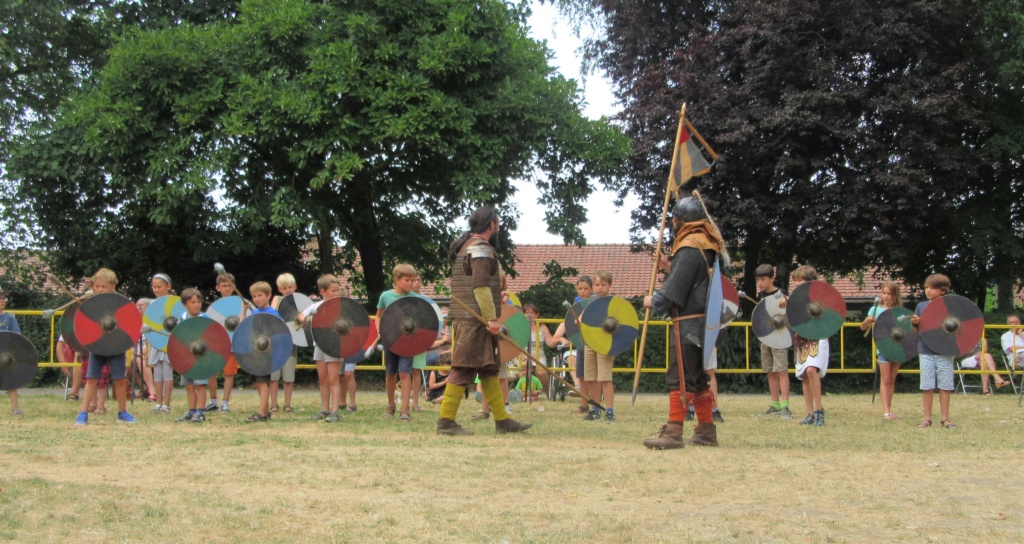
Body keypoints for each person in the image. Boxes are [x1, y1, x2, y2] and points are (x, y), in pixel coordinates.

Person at [435, 206, 531, 435]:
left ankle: (502, 420)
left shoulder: (467, 246)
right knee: (463, 369)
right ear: (492, 225)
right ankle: (446, 421)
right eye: (497, 223)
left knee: (489, 369)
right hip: (474, 320)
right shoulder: (481, 249)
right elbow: (480, 286)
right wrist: (491, 318)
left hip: (471, 320)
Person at [642, 195, 726, 449]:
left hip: (689, 323)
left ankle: (673, 432)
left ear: (679, 221)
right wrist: (670, 266)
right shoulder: (709, 244)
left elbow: (675, 291)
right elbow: (694, 283)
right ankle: (706, 430)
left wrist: (653, 300)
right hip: (705, 323)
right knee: (698, 378)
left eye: (674, 220)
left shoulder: (690, 246)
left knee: (679, 377)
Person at [73, 269, 137, 425]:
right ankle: (83, 413)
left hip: (116, 344)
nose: (100, 289)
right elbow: (86, 324)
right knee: (92, 378)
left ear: (113, 286)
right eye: (97, 286)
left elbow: (128, 322)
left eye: (103, 286)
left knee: (119, 379)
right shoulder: (90, 303)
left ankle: (122, 412)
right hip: (98, 345)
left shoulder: (119, 303)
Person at [910, 274, 957, 428]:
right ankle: (927, 418)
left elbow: (957, 327)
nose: (928, 290)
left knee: (945, 385)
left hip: (944, 350)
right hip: (926, 349)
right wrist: (915, 323)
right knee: (927, 385)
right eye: (926, 287)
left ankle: (945, 418)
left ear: (942, 291)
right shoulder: (921, 306)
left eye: (932, 288)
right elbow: (916, 330)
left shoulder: (950, 305)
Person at [786, 266, 829, 427]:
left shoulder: (819, 298)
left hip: (817, 337)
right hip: (801, 337)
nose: (797, 284)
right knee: (805, 375)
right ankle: (810, 413)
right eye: (795, 281)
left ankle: (819, 411)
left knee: (812, 370)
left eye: (800, 281)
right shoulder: (795, 300)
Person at [376, 263, 419, 422]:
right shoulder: (386, 296)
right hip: (391, 339)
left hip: (408, 341)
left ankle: (405, 409)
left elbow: (421, 320)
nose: (411, 283)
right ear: (396, 279)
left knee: (405, 373)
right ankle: (390, 404)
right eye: (407, 280)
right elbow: (379, 315)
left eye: (412, 280)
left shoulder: (416, 299)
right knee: (391, 372)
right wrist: (379, 330)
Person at [298, 274, 344, 422]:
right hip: (319, 344)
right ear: (323, 291)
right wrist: (304, 319)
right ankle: (325, 409)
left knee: (333, 379)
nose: (336, 294)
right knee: (323, 379)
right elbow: (302, 316)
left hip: (335, 345)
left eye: (338, 290)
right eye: (333, 291)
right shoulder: (315, 307)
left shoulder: (341, 306)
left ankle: (335, 411)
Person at [860, 281, 903, 418]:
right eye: (884, 293)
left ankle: (889, 408)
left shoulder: (899, 311)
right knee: (885, 379)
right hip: (883, 345)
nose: (886, 296)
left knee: (892, 379)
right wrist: (867, 321)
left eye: (889, 294)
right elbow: (862, 327)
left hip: (897, 346)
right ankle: (886, 411)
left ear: (895, 295)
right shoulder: (875, 309)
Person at [755, 264, 792, 419]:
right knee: (770, 371)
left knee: (781, 370)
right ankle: (775, 404)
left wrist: (785, 302)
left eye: (763, 279)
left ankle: (785, 406)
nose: (760, 283)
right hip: (766, 336)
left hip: (781, 336)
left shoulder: (781, 293)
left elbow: (788, 309)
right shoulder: (760, 296)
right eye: (757, 280)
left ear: (772, 279)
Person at [582, 270, 618, 422]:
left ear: (609, 285)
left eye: (603, 285)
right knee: (591, 377)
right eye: (597, 285)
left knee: (605, 378)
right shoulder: (592, 299)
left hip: (605, 343)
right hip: (590, 341)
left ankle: (609, 411)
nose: (599, 288)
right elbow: (586, 316)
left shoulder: (614, 302)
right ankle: (595, 408)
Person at [245, 281, 281, 422]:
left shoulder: (273, 314)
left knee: (262, 382)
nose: (257, 299)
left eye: (260, 295)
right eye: (254, 296)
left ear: (269, 295)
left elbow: (279, 334)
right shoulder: (254, 312)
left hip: (267, 354)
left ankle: (261, 413)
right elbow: (244, 328)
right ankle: (264, 411)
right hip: (255, 353)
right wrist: (244, 310)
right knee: (258, 382)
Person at [174, 288, 211, 423]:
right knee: (189, 385)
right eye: (193, 302)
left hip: (200, 358)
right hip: (187, 358)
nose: (196, 305)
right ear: (185, 304)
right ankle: (192, 411)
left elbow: (211, 338)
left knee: (200, 385)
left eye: (198, 302)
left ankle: (200, 412)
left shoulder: (204, 319)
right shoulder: (183, 318)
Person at [208, 273, 243, 412]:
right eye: (224, 286)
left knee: (229, 373)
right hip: (217, 345)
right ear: (218, 287)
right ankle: (213, 401)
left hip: (232, 344)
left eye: (229, 286)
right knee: (211, 372)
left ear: (234, 287)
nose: (227, 288)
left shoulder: (240, 304)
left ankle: (225, 402)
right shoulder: (215, 307)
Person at [270, 273, 299, 413]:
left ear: (295, 287)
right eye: (284, 288)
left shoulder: (299, 301)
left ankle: (287, 404)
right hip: (275, 342)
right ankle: (274, 404)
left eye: (290, 287)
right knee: (274, 376)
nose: (288, 290)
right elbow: (273, 312)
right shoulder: (277, 298)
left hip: (291, 342)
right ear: (279, 289)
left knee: (289, 376)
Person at [148, 274, 175, 414]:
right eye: (154, 287)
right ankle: (158, 403)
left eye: (159, 287)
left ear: (168, 286)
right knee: (157, 373)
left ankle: (167, 404)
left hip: (169, 341)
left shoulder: (174, 302)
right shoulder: (152, 304)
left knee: (167, 372)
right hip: (156, 341)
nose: (156, 289)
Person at [0, 284, 24, 416]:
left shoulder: (9, 318)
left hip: (5, 354)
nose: (3, 301)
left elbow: (17, 338)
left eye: (4, 298)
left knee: (11, 381)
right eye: (0, 298)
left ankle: (15, 407)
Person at [132, 297, 156, 402]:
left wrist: (146, 348)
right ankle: (144, 388)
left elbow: (153, 339)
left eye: (141, 306)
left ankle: (152, 390)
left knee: (140, 359)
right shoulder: (133, 321)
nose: (138, 308)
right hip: (135, 349)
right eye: (137, 305)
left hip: (149, 348)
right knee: (126, 364)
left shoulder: (151, 321)